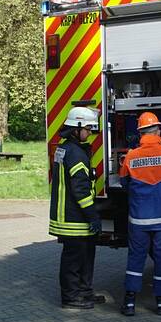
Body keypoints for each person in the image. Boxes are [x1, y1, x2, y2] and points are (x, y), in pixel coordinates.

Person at [119, 111, 161, 316]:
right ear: (158, 130)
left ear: (140, 132)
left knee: (136, 258)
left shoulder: (131, 156)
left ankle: (129, 303)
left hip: (140, 218)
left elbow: (124, 182)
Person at [49, 106, 104, 310]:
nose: (89, 133)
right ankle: (71, 297)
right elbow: (80, 190)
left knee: (85, 256)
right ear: (76, 128)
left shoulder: (66, 148)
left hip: (71, 215)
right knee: (74, 260)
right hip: (74, 218)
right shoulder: (75, 154)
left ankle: (84, 291)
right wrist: (93, 216)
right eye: (88, 129)